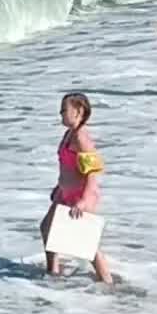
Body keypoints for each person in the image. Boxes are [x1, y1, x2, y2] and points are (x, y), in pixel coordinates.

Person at [40, 93, 113, 283]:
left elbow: (91, 172)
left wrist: (83, 201)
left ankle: (107, 282)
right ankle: (53, 272)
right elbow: (67, 166)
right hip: (64, 193)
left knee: (87, 244)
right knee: (46, 227)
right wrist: (58, 188)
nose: (61, 113)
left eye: (65, 109)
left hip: (81, 195)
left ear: (79, 111)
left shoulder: (81, 137)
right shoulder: (69, 134)